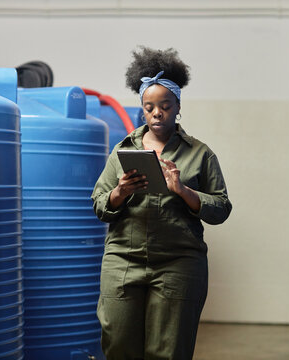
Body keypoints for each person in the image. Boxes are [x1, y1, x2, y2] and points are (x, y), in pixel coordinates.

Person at [91, 46, 232, 360]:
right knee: (119, 347)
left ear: (177, 106)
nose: (157, 113)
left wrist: (183, 190)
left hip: (178, 264)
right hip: (122, 263)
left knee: (168, 351)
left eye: (165, 105)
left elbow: (221, 208)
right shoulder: (122, 151)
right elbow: (100, 204)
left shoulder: (200, 153)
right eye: (149, 106)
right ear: (142, 108)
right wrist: (121, 191)